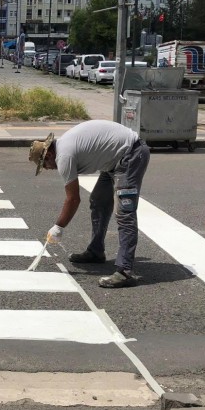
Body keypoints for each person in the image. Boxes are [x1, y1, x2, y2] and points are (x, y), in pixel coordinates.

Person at [30, 120, 151, 288]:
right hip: (114, 161)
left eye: (45, 165)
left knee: (125, 214)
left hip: (130, 155)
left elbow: (73, 199)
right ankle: (96, 251)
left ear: (48, 155)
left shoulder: (64, 156)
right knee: (99, 201)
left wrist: (58, 227)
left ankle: (125, 271)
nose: (49, 169)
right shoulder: (64, 146)